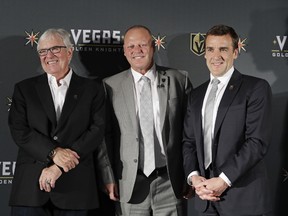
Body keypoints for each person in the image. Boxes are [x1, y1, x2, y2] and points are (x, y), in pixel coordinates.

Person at [8, 28, 117, 216]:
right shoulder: (24, 89)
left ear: (69, 51)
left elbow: (96, 130)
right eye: (43, 51)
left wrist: (59, 165)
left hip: (76, 189)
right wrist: (53, 152)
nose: (48, 55)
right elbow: (19, 130)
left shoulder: (93, 89)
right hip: (30, 190)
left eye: (55, 49)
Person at [182, 24, 272, 216]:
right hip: (205, 199)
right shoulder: (195, 95)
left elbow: (257, 142)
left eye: (223, 49)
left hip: (242, 199)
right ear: (204, 53)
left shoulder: (255, 88)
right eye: (210, 49)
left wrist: (223, 180)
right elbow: (188, 142)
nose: (216, 56)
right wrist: (194, 177)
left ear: (236, 52)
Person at [104, 25, 193, 215]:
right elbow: (106, 137)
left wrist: (191, 174)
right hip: (130, 183)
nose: (137, 51)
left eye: (143, 45)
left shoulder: (179, 79)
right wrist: (108, 177)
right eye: (131, 46)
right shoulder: (110, 86)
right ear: (124, 51)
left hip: (170, 182)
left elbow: (190, 133)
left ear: (153, 47)